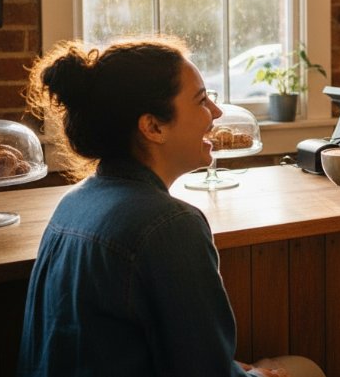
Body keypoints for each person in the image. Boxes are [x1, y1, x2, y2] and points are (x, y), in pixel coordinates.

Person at [18, 37, 324, 377]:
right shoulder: (169, 225)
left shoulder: (72, 203)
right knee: (303, 369)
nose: (217, 112)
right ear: (153, 126)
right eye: (201, 100)